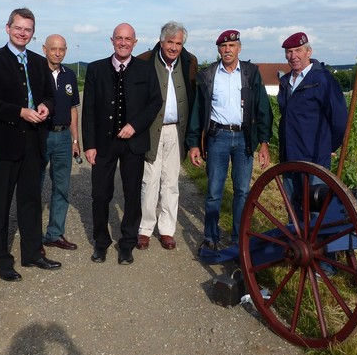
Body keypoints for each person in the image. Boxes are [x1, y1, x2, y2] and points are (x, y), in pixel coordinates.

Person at [0, 8, 60, 284]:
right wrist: (19, 112)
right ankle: (1, 260)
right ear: (8, 28)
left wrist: (46, 107)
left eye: (28, 30)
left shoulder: (38, 62)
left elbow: (49, 94)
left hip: (33, 143)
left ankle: (33, 252)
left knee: (31, 200)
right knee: (0, 204)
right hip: (4, 145)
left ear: (33, 33)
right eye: (18, 28)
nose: (23, 33)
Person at [82, 23, 162, 265]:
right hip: (104, 144)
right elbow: (89, 110)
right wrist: (89, 144)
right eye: (119, 38)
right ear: (112, 40)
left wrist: (135, 125)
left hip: (133, 143)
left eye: (128, 39)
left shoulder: (146, 69)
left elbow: (155, 103)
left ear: (135, 42)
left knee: (131, 195)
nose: (123, 42)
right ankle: (101, 242)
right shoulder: (96, 69)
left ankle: (127, 243)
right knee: (100, 195)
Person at [186, 29, 272, 253]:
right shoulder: (208, 75)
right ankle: (211, 237)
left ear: (239, 48)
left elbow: (263, 108)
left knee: (242, 191)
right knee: (214, 191)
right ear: (218, 50)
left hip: (244, 137)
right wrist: (194, 143)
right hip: (218, 138)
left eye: (232, 46)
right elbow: (198, 111)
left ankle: (238, 238)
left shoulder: (251, 73)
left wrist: (264, 142)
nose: (227, 50)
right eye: (223, 47)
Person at [135, 21, 198, 251]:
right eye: (170, 42)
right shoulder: (145, 61)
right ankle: (145, 228)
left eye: (178, 43)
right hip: (152, 129)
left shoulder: (189, 63)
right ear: (161, 42)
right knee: (150, 180)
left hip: (175, 130)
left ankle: (167, 230)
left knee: (171, 182)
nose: (174, 47)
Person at [277, 31, 348, 198]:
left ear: (309, 52)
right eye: (289, 52)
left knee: (315, 209)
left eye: (298, 50)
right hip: (289, 156)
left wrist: (328, 147)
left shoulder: (322, 80)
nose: (293, 56)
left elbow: (339, 120)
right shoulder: (285, 81)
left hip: (314, 157)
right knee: (293, 208)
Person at [39, 34, 81, 251]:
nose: (58, 53)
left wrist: (75, 140)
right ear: (45, 48)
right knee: (34, 187)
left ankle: (55, 233)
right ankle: (33, 237)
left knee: (62, 187)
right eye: (53, 49)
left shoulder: (70, 75)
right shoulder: (37, 73)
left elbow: (73, 109)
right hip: (41, 136)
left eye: (62, 49)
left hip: (64, 137)